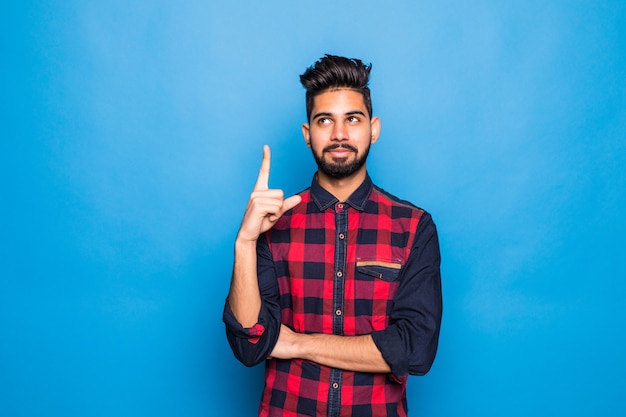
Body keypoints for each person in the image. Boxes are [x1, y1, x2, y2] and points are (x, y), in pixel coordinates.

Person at [223, 54, 442, 417]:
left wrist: (297, 344)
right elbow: (250, 344)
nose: (339, 134)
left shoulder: (413, 227)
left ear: (373, 129)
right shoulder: (273, 224)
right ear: (308, 135)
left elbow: (414, 350)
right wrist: (245, 242)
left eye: (352, 119)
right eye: (325, 120)